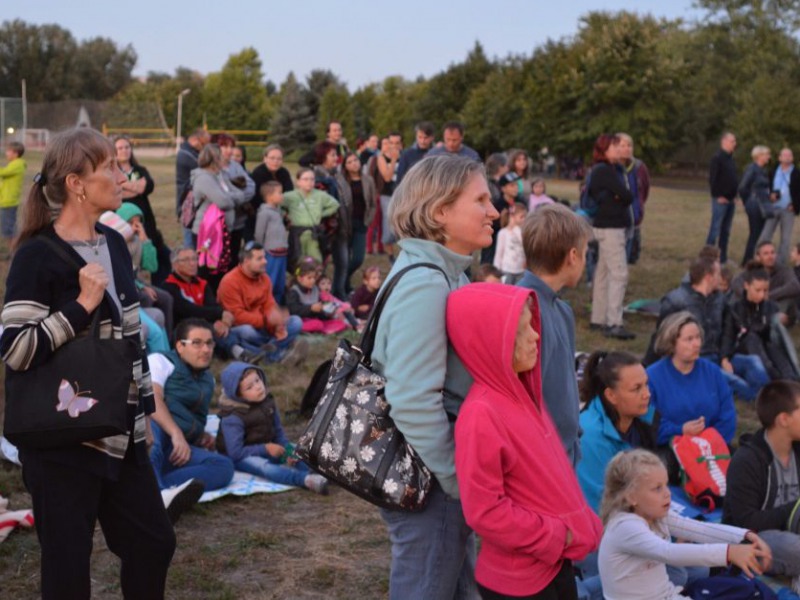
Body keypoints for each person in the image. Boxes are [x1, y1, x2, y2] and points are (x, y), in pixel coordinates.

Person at [1, 127, 175, 598]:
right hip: (63, 443)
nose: (123, 176)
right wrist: (79, 305)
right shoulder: (36, 256)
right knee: (67, 572)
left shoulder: (114, 244)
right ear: (77, 183)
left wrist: (143, 421)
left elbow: (132, 341)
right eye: (110, 169)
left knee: (152, 544)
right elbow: (16, 349)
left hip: (122, 436)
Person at [371, 154, 499, 599]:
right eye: (481, 200)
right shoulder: (428, 284)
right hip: (431, 480)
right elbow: (411, 398)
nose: (494, 211)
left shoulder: (442, 274)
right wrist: (457, 480)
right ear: (440, 210)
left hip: (434, 476)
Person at [449, 283, 602, 600]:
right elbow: (484, 511)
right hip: (520, 582)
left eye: (532, 326)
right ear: (491, 343)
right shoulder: (481, 415)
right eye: (521, 332)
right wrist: (557, 535)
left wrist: (580, 518)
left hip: (553, 565)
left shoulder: (524, 394)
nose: (535, 336)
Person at [598, 449, 771, 600]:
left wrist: (744, 535)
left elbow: (698, 529)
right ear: (631, 497)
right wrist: (728, 552)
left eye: (666, 485)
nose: (667, 493)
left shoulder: (654, 513)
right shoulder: (624, 526)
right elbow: (668, 552)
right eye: (657, 488)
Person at [518, 203, 593, 465]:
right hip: (541, 462)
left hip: (564, 454)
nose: (584, 261)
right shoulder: (523, 311)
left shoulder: (561, 310)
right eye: (585, 253)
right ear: (572, 256)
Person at [724, 380, 800, 592]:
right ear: (784, 419)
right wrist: (794, 509)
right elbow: (745, 522)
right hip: (758, 539)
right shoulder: (747, 461)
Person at [147, 319, 235, 496]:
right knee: (152, 431)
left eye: (209, 343)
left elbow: (194, 416)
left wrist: (200, 435)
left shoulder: (208, 379)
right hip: (155, 436)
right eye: (197, 343)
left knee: (223, 466)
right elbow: (152, 399)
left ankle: (160, 489)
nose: (205, 350)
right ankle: (157, 493)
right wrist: (176, 433)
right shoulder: (160, 361)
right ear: (180, 346)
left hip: (176, 448)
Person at [216, 362, 329, 494]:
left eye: (257, 380)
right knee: (266, 468)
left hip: (269, 448)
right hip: (241, 457)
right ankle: (305, 480)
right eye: (249, 387)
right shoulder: (233, 417)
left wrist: (287, 449)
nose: (258, 387)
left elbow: (278, 432)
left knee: (297, 451)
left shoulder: (267, 402)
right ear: (238, 395)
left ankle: (320, 473)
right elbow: (235, 452)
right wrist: (265, 449)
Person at [577, 352, 654, 514]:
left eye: (646, 384)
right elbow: (600, 507)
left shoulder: (643, 414)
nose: (647, 394)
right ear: (611, 395)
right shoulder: (589, 435)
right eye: (637, 388)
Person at [647, 311, 737, 447]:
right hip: (669, 449)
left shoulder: (712, 372)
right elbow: (648, 424)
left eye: (698, 337)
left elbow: (728, 415)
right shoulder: (652, 377)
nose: (697, 344)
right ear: (671, 343)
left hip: (713, 447)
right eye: (689, 339)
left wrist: (710, 442)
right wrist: (680, 430)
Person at [161, 246, 263, 364]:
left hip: (209, 326)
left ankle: (253, 351)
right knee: (210, 330)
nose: (193, 263)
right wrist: (220, 314)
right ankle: (242, 353)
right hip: (184, 331)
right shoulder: (169, 286)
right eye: (187, 260)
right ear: (175, 265)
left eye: (194, 259)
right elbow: (188, 310)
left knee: (245, 330)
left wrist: (223, 322)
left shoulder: (202, 283)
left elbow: (213, 306)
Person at [216, 242, 308, 365]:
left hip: (264, 326)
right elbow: (236, 316)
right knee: (247, 331)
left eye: (264, 257)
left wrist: (278, 324)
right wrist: (267, 321)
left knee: (296, 321)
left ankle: (268, 350)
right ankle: (279, 354)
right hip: (242, 326)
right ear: (247, 261)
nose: (265, 261)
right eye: (259, 258)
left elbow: (269, 305)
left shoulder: (265, 278)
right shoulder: (230, 282)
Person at [588, 134, 635, 340]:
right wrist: (619, 196)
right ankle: (613, 321)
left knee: (604, 273)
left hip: (608, 226)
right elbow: (626, 195)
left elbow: (623, 196)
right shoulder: (604, 171)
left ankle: (598, 317)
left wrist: (619, 196)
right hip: (610, 228)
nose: (619, 150)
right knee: (619, 273)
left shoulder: (611, 170)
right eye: (615, 147)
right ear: (604, 150)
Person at [722, 261, 798, 381]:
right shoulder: (735, 308)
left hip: (766, 349)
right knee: (752, 337)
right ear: (746, 286)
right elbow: (728, 336)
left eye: (765, 291)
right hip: (744, 351)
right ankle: (774, 379)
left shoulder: (770, 307)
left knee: (772, 346)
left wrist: (783, 321)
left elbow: (777, 338)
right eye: (758, 290)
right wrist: (724, 358)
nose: (762, 295)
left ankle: (791, 377)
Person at [113, 134, 170, 285]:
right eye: (120, 148)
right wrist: (136, 187)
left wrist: (125, 186)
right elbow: (115, 189)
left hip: (145, 218)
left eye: (127, 147)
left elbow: (148, 186)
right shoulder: (112, 171)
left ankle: (159, 285)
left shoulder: (140, 169)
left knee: (154, 251)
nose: (124, 150)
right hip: (124, 220)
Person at [190, 144, 247, 289]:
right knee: (208, 270)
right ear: (215, 158)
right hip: (207, 233)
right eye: (222, 155)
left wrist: (228, 197)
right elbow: (223, 202)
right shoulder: (204, 177)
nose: (226, 157)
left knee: (222, 269)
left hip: (223, 231)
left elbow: (241, 194)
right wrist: (229, 198)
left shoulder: (219, 175)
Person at [336, 152, 376, 292]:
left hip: (361, 223)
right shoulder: (340, 181)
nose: (354, 163)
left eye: (355, 160)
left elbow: (372, 203)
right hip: (345, 224)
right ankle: (343, 286)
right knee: (344, 259)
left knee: (358, 258)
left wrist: (368, 221)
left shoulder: (368, 180)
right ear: (345, 166)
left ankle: (343, 280)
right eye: (350, 162)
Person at [733, 240, 800, 324]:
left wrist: (768, 296)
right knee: (734, 295)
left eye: (772, 253)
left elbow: (795, 286)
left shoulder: (783, 270)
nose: (770, 256)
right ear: (758, 257)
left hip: (774, 306)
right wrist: (752, 296)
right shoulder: (754, 269)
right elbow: (736, 282)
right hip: (755, 305)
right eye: (766, 254)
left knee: (788, 299)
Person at [282, 167, 340, 265]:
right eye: (305, 179)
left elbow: (335, 204)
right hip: (297, 234)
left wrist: (321, 214)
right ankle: (299, 279)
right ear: (298, 182)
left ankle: (315, 277)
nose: (309, 182)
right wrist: (285, 215)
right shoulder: (289, 196)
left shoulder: (320, 195)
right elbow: (277, 205)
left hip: (314, 233)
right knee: (297, 260)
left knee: (316, 260)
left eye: (312, 179)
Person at [214, 133, 255, 258]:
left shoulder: (236, 166)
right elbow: (219, 195)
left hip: (238, 222)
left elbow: (251, 187)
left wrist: (234, 197)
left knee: (233, 257)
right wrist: (236, 195)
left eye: (231, 147)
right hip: (218, 224)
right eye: (224, 146)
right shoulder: (212, 167)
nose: (229, 150)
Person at [760, 147, 800, 264]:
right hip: (773, 208)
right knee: (765, 235)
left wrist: (796, 205)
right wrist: (770, 196)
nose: (787, 157)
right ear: (780, 158)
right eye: (785, 155)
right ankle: (761, 260)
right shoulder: (773, 171)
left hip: (788, 210)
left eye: (790, 155)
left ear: (792, 158)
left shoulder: (796, 173)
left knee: (785, 239)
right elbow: (766, 187)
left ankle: (780, 264)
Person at [286, 261, 349, 335]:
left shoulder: (315, 290)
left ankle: (323, 329)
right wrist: (310, 308)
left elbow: (320, 310)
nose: (312, 280)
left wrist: (327, 313)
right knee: (317, 324)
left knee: (339, 323)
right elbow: (293, 310)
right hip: (301, 320)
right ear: (300, 279)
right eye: (309, 278)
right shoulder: (294, 291)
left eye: (314, 278)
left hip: (315, 319)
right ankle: (304, 329)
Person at [615, 133, 650, 265]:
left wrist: (639, 207)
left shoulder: (639, 167)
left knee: (628, 255)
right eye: (623, 145)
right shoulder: (609, 167)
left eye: (629, 145)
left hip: (633, 217)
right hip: (614, 219)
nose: (627, 149)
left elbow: (645, 190)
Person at [247, 144, 294, 243]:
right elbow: (256, 197)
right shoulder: (258, 173)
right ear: (265, 159)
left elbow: (289, 192)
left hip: (279, 210)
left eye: (279, 159)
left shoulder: (284, 173)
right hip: (259, 212)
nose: (275, 161)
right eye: (272, 158)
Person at [253, 181, 289, 304]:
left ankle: (277, 306)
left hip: (282, 253)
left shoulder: (277, 211)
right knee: (270, 281)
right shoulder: (264, 213)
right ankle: (265, 305)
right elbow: (259, 233)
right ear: (269, 196)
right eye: (279, 193)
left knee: (280, 282)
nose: (282, 195)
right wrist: (260, 250)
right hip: (271, 253)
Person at [705, 132, 738, 264]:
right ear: (724, 142)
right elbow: (713, 179)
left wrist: (734, 196)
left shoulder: (731, 159)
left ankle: (722, 257)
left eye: (735, 141)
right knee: (715, 229)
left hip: (731, 200)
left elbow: (732, 179)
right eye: (732, 141)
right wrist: (718, 196)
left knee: (726, 230)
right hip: (720, 200)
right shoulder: (717, 158)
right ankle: (707, 258)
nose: (734, 144)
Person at [740, 145, 773, 265]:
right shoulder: (752, 169)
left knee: (758, 233)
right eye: (767, 154)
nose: (769, 157)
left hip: (762, 204)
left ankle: (752, 259)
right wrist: (748, 202)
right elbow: (743, 187)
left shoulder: (762, 170)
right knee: (755, 233)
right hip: (755, 205)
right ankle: (748, 261)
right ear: (759, 156)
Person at [176, 128, 210, 245]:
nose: (206, 148)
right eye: (204, 144)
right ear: (195, 140)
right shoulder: (186, 155)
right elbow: (207, 167)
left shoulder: (191, 152)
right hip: (188, 206)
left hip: (193, 204)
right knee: (190, 244)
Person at [371, 133, 402, 259]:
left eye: (396, 143)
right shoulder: (381, 158)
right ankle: (390, 256)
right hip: (387, 195)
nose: (393, 146)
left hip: (402, 195)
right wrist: (394, 159)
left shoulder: (405, 156)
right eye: (391, 142)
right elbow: (387, 177)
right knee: (388, 226)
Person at [492, 202, 527, 285]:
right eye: (522, 217)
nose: (524, 219)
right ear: (512, 217)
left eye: (525, 217)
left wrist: (516, 229)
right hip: (507, 269)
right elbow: (499, 253)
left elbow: (524, 244)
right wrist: (496, 270)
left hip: (520, 270)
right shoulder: (503, 233)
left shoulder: (522, 232)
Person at [0, 140, 26, 250]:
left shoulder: (18, 164)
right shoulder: (14, 164)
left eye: (8, 151)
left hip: (9, 201)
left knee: (8, 229)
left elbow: (3, 172)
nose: (6, 153)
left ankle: (13, 251)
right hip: (6, 200)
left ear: (16, 153)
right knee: (8, 227)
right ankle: (12, 250)